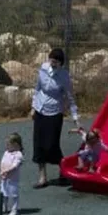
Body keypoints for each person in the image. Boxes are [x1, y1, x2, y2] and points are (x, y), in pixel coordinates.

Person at [30, 48, 79, 189]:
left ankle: (63, 171)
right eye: (51, 60)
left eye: (56, 61)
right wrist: (33, 107)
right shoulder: (43, 69)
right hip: (40, 109)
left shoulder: (64, 76)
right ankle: (42, 177)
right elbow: (38, 89)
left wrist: (75, 116)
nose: (52, 63)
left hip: (55, 112)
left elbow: (70, 97)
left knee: (52, 145)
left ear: (60, 63)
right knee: (39, 144)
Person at [0, 133, 24, 215]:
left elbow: (15, 165)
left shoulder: (18, 154)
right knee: (4, 193)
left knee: (13, 195)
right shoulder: (6, 152)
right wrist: (2, 171)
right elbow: (2, 162)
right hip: (4, 178)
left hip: (12, 179)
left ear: (15, 144)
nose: (6, 146)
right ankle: (4, 207)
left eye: (8, 144)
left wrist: (6, 170)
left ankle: (14, 209)